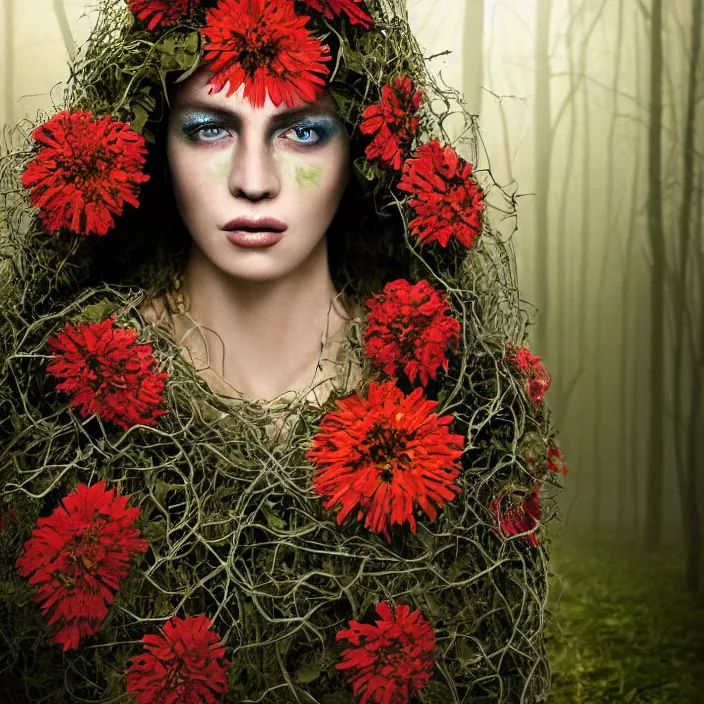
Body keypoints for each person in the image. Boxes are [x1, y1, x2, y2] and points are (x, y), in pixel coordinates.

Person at [0, 1, 565, 702]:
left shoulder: (464, 401)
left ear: (356, 151)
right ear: (152, 145)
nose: (255, 179)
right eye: (209, 129)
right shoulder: (47, 396)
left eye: (301, 131)